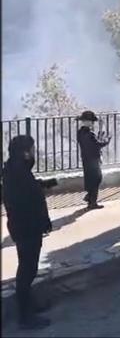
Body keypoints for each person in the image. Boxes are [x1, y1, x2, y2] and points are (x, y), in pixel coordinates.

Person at [2, 135, 54, 329]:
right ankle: (25, 317)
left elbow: (28, 190)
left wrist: (43, 184)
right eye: (32, 149)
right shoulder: (18, 173)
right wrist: (41, 220)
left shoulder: (15, 170)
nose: (34, 152)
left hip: (24, 226)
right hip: (26, 227)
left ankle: (30, 306)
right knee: (27, 270)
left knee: (28, 267)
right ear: (25, 152)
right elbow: (26, 201)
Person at [76, 110, 109, 210]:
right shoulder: (90, 134)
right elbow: (97, 145)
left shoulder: (80, 132)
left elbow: (91, 144)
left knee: (90, 178)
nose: (93, 123)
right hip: (93, 159)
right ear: (88, 122)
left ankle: (89, 197)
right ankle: (92, 201)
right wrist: (106, 141)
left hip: (85, 158)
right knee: (96, 179)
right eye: (92, 121)